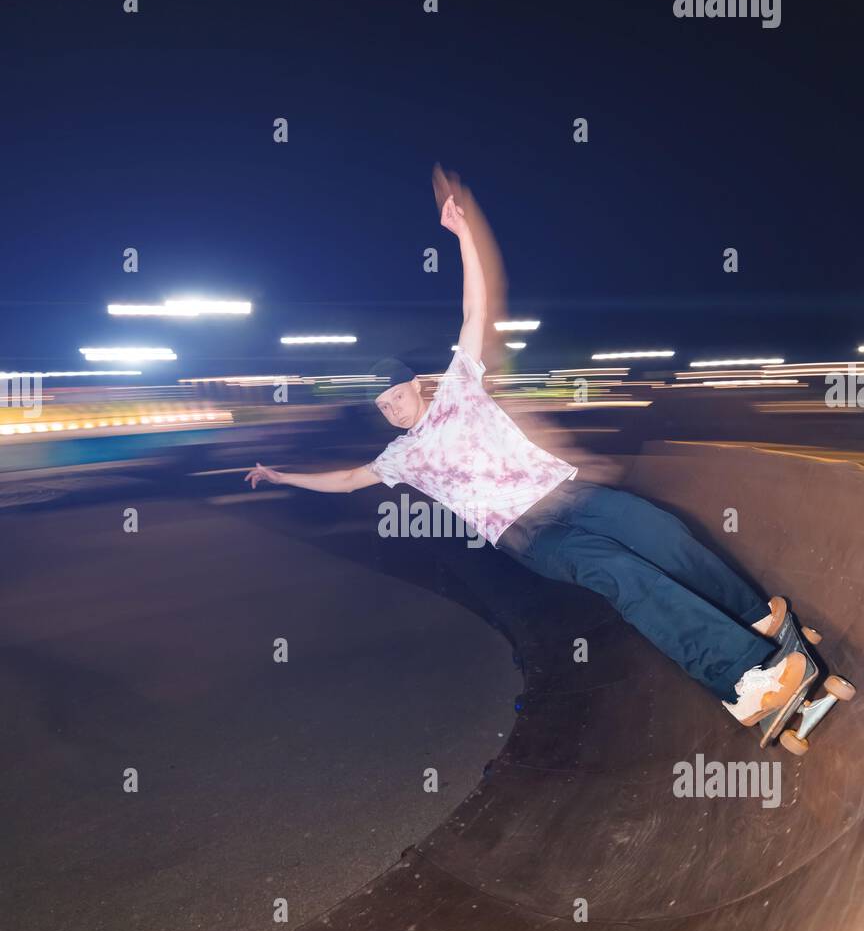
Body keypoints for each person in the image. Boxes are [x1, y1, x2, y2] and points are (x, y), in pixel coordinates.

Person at [246, 169, 805, 726]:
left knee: (659, 530)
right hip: (529, 534)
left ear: (417, 384)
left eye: (396, 396)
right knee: (621, 573)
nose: (391, 409)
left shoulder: (461, 383)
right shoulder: (399, 457)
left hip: (568, 493)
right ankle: (743, 683)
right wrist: (281, 476)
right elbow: (345, 479)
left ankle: (757, 619)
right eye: (382, 407)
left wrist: (463, 236)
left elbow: (475, 311)